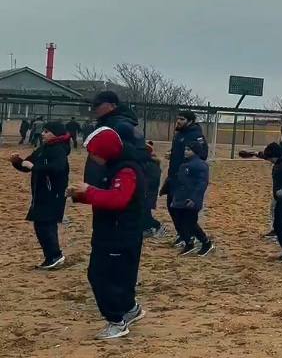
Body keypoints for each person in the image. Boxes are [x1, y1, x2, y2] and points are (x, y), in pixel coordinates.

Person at [67, 126, 147, 340]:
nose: (92, 158)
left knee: (101, 276)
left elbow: (118, 199)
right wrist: (80, 195)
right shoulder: (113, 167)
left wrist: (89, 191)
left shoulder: (126, 170)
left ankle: (116, 322)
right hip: (111, 232)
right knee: (120, 277)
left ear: (107, 151)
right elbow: (106, 196)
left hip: (120, 235)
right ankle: (131, 309)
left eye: (95, 153)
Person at [9, 121, 70, 269]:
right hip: (40, 194)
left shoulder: (59, 150)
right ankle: (52, 256)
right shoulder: (43, 148)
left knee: (45, 225)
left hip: (53, 195)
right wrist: (17, 162)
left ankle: (55, 255)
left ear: (55, 134)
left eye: (46, 131)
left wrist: (35, 167)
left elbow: (58, 169)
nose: (42, 133)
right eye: (43, 131)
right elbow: (28, 165)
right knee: (42, 225)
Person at [241, 140, 282, 259]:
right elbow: (265, 156)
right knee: (278, 225)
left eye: (271, 159)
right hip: (280, 198)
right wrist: (254, 153)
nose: (269, 161)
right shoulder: (280, 160)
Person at [162, 111, 208, 247]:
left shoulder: (196, 135)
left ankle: (190, 237)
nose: (178, 121)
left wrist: (188, 163)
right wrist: (172, 154)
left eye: (182, 119)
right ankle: (183, 235)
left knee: (183, 211)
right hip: (174, 176)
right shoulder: (179, 134)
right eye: (178, 119)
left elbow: (203, 154)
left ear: (190, 121)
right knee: (172, 207)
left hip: (185, 179)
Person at [170, 142, 213, 257]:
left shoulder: (200, 165)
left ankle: (206, 243)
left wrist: (193, 199)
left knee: (190, 223)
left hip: (191, 200)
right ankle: (189, 243)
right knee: (180, 222)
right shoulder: (185, 164)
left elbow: (201, 184)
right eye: (185, 149)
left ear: (195, 151)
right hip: (180, 198)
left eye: (188, 150)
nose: (185, 151)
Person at [141, 141, 165, 238]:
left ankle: (157, 226)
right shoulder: (146, 164)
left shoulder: (151, 165)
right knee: (144, 213)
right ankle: (148, 228)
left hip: (148, 194)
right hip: (145, 194)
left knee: (145, 214)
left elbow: (151, 182)